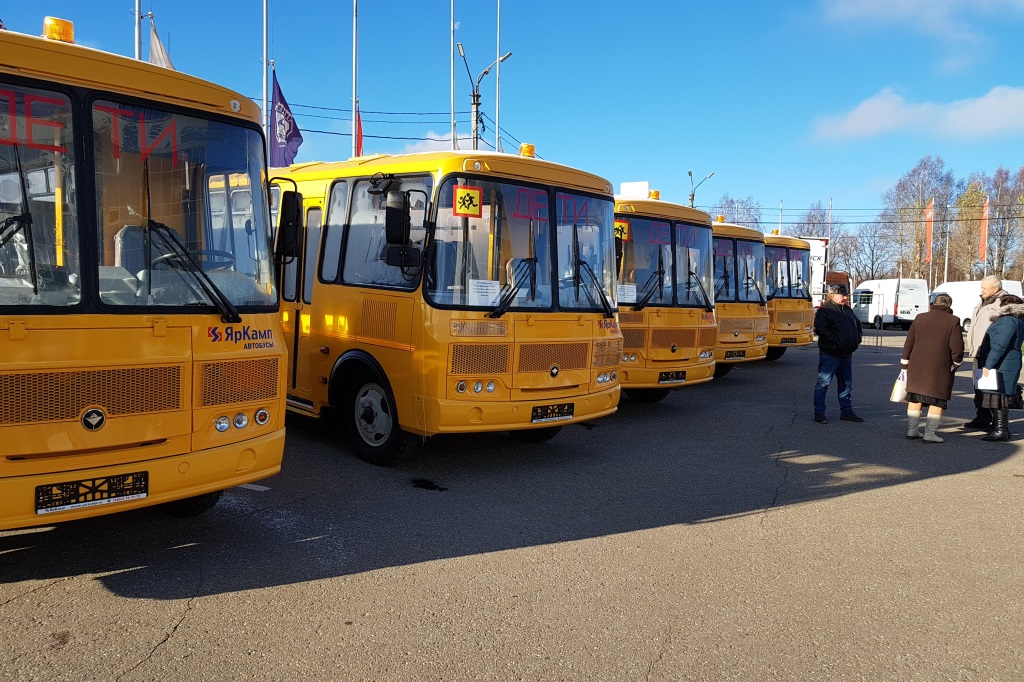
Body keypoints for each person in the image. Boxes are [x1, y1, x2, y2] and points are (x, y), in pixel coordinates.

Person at [899, 294, 965, 442]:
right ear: (949, 305)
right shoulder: (953, 321)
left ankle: (912, 430)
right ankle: (930, 433)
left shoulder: (920, 318)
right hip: (939, 367)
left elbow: (909, 341)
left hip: (916, 365)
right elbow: (957, 347)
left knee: (915, 397)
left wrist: (904, 363)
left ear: (933, 303)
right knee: (937, 399)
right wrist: (956, 363)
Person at [975, 294, 1024, 441]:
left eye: (999, 303)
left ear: (1005, 305)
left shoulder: (1007, 321)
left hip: (1003, 364)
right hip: (1006, 363)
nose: (996, 305)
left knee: (998, 396)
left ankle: (1001, 430)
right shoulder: (1013, 320)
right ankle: (998, 428)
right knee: (997, 395)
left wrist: (988, 365)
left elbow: (999, 346)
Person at [963, 276, 1011, 429]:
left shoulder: (1002, 302)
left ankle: (998, 424)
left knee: (992, 388)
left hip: (991, 351)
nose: (981, 290)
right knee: (979, 387)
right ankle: (982, 417)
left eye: (984, 287)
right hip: (979, 351)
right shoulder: (983, 301)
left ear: (995, 288)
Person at [813, 282, 864, 424]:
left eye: (846, 295)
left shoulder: (848, 310)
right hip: (831, 353)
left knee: (846, 384)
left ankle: (847, 412)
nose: (845, 298)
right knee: (823, 383)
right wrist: (836, 341)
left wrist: (857, 338)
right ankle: (819, 412)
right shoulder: (825, 311)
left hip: (846, 354)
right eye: (843, 295)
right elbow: (821, 329)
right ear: (833, 296)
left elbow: (857, 325)